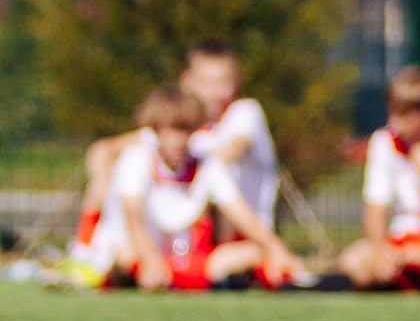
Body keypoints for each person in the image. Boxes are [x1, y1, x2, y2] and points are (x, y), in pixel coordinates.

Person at [71, 86, 303, 290]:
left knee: (252, 252)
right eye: (170, 130)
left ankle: (170, 277)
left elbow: (242, 215)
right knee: (125, 256)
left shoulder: (207, 165)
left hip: (177, 257)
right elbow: (133, 217)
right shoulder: (137, 159)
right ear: (155, 130)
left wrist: (277, 250)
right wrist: (150, 258)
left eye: (185, 130)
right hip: (138, 250)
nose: (178, 140)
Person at [75, 41, 277, 247]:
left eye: (223, 82)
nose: (214, 92)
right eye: (206, 82)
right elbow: (103, 149)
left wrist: (183, 160)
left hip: (246, 234)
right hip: (198, 236)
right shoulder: (181, 129)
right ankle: (87, 248)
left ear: (236, 82)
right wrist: (100, 182)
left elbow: (232, 150)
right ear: (187, 81)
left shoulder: (244, 112)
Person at [330, 68, 420, 291]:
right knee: (353, 263)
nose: (394, 121)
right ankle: (404, 278)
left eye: (403, 113)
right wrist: (382, 253)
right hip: (404, 244)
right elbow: (376, 208)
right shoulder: (384, 142)